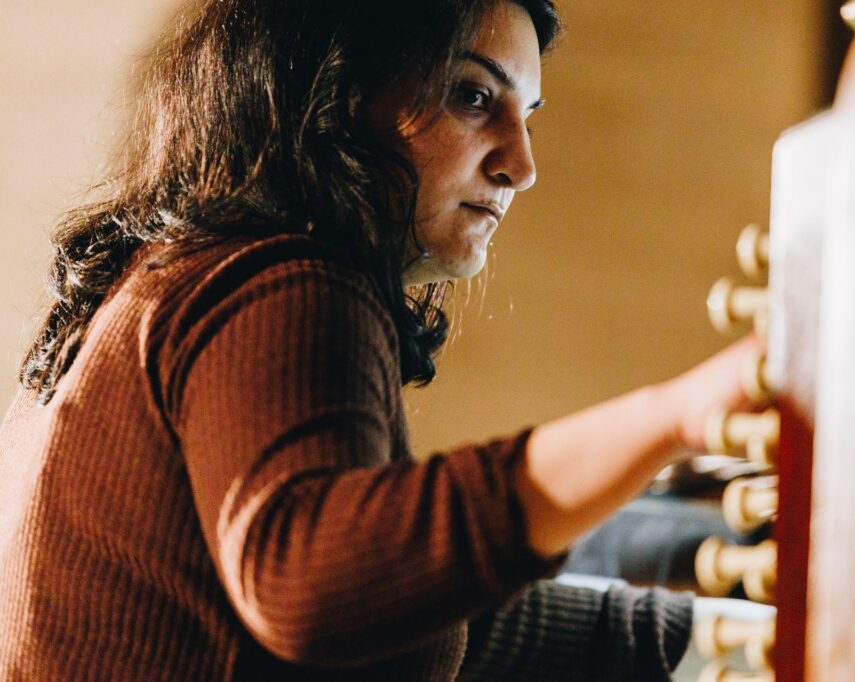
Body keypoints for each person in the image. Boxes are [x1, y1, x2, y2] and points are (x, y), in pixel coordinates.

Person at [0, 0, 757, 679]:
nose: (520, 166)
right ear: (337, 88)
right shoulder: (276, 281)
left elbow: (413, 617)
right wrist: (674, 415)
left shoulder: (172, 279)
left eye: (526, 113)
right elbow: (317, 582)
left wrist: (728, 641)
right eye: (472, 96)